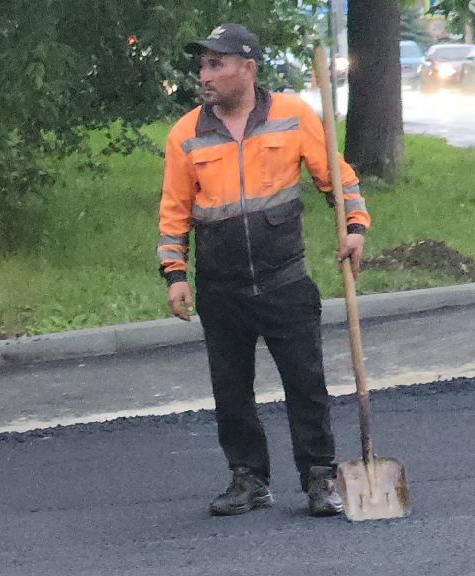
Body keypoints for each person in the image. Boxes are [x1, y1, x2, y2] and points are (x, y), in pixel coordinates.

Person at [157, 24, 369, 517]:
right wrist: (175, 273)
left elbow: (336, 178)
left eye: (216, 64)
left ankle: (319, 477)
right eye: (203, 64)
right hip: (220, 287)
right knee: (231, 391)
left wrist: (354, 225)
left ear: (247, 69)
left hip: (284, 281)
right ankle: (247, 478)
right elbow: (174, 212)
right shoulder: (185, 134)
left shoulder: (292, 117)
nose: (204, 75)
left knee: (306, 384)